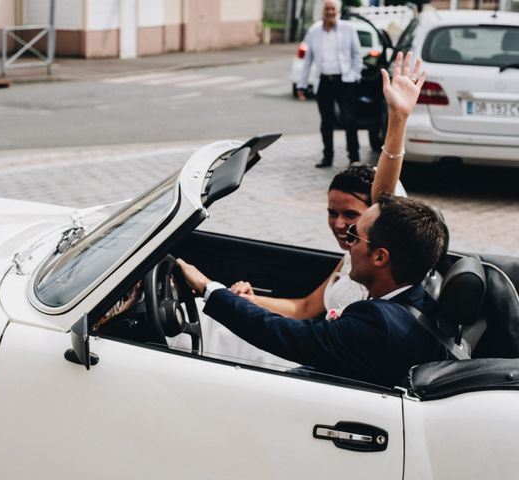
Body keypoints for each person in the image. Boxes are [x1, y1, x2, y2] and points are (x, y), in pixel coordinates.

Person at [178, 193, 449, 387]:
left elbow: (282, 334)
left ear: (380, 257)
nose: (347, 243)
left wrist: (207, 287)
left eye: (355, 235)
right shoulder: (419, 303)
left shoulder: (378, 324)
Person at [232, 51, 425, 321]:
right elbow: (306, 308)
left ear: (372, 217)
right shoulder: (352, 255)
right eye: (332, 212)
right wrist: (247, 301)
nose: (338, 224)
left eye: (350, 215)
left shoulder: (376, 260)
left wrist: (398, 118)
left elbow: (384, 195)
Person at [296, 0, 363, 167]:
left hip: (344, 81)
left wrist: (355, 75)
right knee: (326, 121)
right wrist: (301, 84)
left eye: (333, 8)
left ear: (337, 11)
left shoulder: (348, 29)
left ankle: (354, 158)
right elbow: (307, 61)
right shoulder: (314, 31)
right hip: (324, 81)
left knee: (349, 120)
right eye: (327, 8)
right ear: (322, 11)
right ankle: (328, 157)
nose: (330, 11)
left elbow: (357, 54)